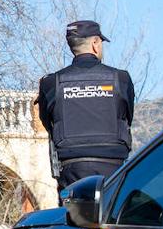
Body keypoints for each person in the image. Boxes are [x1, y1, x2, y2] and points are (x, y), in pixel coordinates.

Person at [36, 20, 136, 191]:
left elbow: (47, 122)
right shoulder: (120, 78)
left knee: (74, 215)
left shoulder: (51, 83)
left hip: (71, 168)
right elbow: (128, 116)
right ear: (95, 43)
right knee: (112, 215)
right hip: (113, 166)